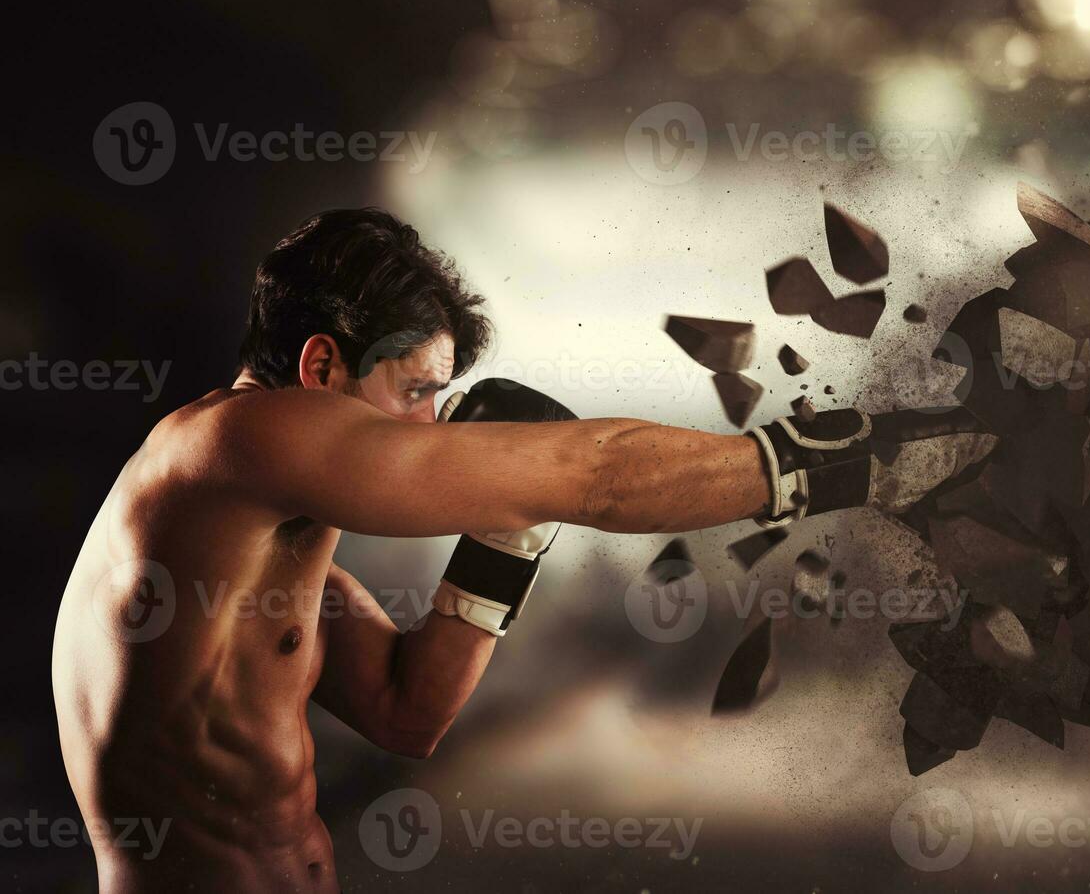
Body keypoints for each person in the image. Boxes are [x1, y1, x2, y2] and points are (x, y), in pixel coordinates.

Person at [52, 208, 995, 892]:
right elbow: (596, 474)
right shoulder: (239, 438)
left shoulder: (261, 569)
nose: (433, 424)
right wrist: (827, 463)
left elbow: (407, 712)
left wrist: (508, 530)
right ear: (320, 368)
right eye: (416, 391)